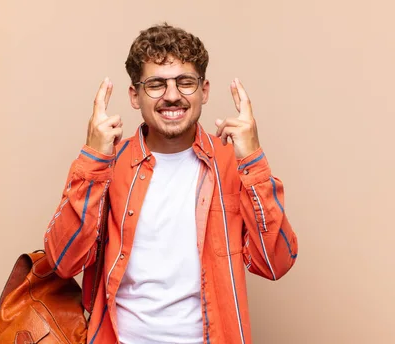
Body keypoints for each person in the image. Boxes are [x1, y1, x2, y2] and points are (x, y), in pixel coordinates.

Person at [44, 23, 298, 344]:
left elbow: (275, 264)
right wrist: (93, 159)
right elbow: (63, 262)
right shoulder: (108, 164)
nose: (173, 96)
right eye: (156, 84)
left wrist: (253, 160)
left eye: (185, 82)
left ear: (204, 91)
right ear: (135, 96)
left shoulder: (233, 164)